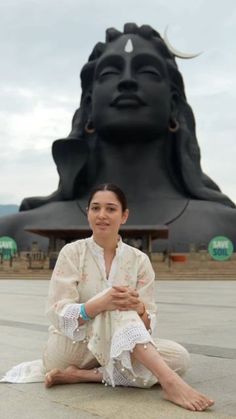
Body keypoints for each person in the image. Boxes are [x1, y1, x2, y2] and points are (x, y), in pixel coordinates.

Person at [0, 23, 235, 252]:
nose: (127, 80)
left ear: (174, 105)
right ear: (89, 106)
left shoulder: (228, 225)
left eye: (148, 71)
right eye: (110, 72)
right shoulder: (14, 229)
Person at [41, 183, 213, 412]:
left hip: (115, 346)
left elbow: (146, 325)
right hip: (71, 349)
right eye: (95, 208)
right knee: (117, 301)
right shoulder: (72, 253)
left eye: (111, 209)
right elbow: (57, 312)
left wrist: (140, 309)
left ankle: (84, 376)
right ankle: (169, 383)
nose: (102, 215)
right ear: (88, 213)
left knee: (180, 358)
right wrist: (99, 304)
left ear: (124, 216)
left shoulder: (139, 261)